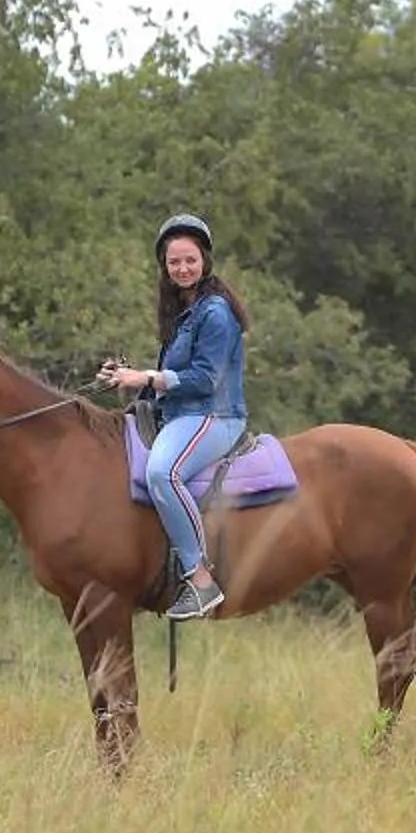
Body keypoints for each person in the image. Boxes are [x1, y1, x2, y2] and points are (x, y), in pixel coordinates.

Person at [98, 213, 249, 621]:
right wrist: (126, 380)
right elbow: (172, 379)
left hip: (215, 416)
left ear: (205, 260)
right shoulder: (183, 311)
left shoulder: (215, 313)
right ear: (165, 266)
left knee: (162, 472)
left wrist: (146, 375)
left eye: (190, 260)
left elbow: (203, 379)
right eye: (174, 262)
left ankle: (200, 580)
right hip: (181, 415)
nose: (182, 268)